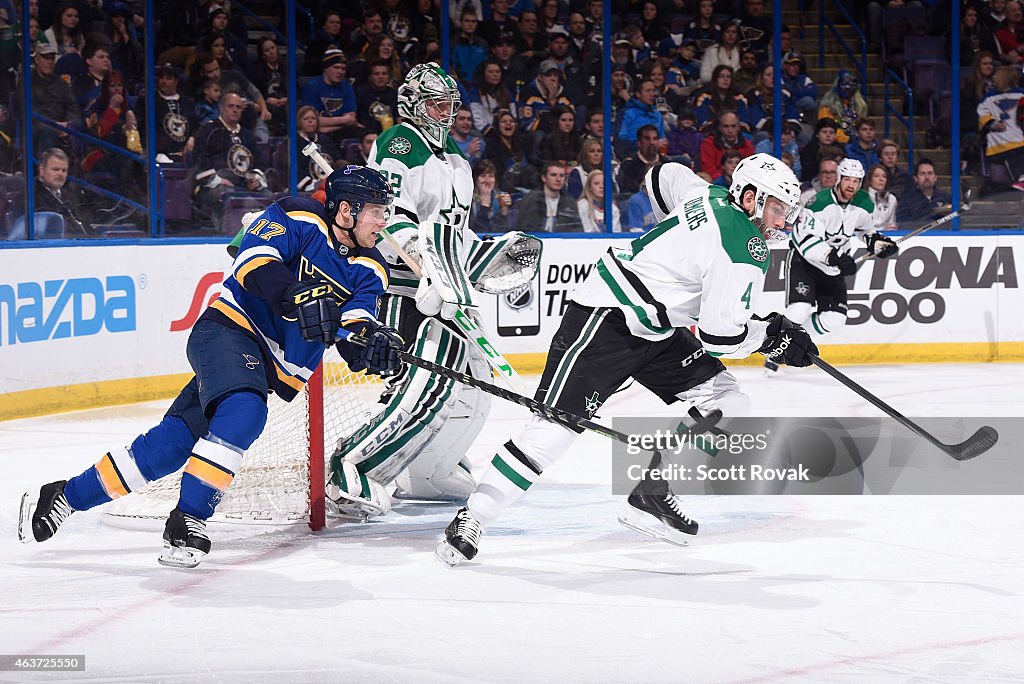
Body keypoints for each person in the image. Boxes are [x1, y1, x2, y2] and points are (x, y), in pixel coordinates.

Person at [435, 154, 816, 565]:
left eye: (787, 210)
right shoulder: (745, 247)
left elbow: (662, 174)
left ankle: (654, 485)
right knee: (553, 432)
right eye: (777, 208)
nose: (782, 221)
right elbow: (719, 337)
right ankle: (472, 518)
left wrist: (679, 247)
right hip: (606, 319)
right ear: (750, 197)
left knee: (728, 401)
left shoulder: (708, 194)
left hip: (656, 327)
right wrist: (769, 340)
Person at [19, 166, 404, 567]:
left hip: (268, 365)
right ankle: (188, 520)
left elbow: (354, 325)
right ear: (347, 210)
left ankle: (65, 495)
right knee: (245, 411)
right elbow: (254, 262)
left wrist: (370, 346)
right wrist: (295, 295)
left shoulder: (372, 268)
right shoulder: (297, 215)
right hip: (227, 330)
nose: (383, 221)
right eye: (377, 211)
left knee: (169, 447)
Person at [331, 62, 536, 509]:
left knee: (475, 382)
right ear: (413, 104)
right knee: (423, 387)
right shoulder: (399, 142)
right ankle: (354, 469)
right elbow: (390, 211)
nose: (446, 113)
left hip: (449, 285)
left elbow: (454, 231)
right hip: (409, 285)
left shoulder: (458, 161)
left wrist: (478, 260)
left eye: (450, 105)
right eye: (436, 104)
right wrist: (423, 258)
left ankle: (431, 471)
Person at [766, 158, 896, 375]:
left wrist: (876, 242)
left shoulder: (864, 202)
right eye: (847, 179)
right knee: (799, 310)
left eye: (856, 181)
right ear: (838, 178)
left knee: (835, 318)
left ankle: (788, 344)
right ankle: (774, 350)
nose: (851, 185)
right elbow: (806, 241)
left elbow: (866, 230)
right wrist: (834, 256)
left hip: (831, 268)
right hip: (804, 262)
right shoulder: (818, 203)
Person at [190, 90, 271, 230]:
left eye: (238, 107)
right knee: (226, 193)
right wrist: (217, 180)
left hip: (243, 184)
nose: (235, 110)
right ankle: (226, 234)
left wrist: (255, 178)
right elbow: (200, 159)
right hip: (215, 184)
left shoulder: (247, 135)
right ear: (221, 108)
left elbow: (258, 161)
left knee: (268, 196)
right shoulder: (209, 130)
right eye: (231, 106)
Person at [136, 63, 196, 164]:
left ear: (176, 81)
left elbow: (195, 126)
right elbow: (143, 128)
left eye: (168, 78)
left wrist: (192, 138)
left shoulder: (187, 103)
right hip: (158, 155)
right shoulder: (148, 101)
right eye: (161, 77)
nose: (164, 81)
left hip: (184, 153)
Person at [300, 48, 359, 142]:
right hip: (318, 135)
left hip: (341, 133)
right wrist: (343, 120)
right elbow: (311, 122)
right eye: (336, 67)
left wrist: (324, 127)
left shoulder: (347, 87)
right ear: (325, 68)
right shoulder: (312, 86)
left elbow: (351, 119)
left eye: (343, 68)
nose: (340, 72)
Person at [33, 147, 91, 235]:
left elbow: (84, 225)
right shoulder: (32, 194)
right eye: (55, 169)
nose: (60, 174)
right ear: (42, 171)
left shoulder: (70, 196)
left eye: (64, 170)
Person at [517, 161, 584, 232]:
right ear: (544, 178)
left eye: (561, 176)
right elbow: (524, 228)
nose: (558, 179)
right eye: (553, 175)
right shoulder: (531, 199)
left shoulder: (570, 202)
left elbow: (578, 228)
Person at [699, 110, 755, 180]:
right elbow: (709, 170)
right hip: (717, 183)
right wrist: (726, 180)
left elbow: (750, 170)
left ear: (739, 127)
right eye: (726, 126)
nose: (730, 130)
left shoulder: (747, 145)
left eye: (733, 126)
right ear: (720, 128)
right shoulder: (709, 143)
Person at [618, 124, 670, 195]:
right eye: (647, 138)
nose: (652, 143)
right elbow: (627, 195)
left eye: (655, 138)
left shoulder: (667, 164)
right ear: (639, 143)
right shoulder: (628, 166)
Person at [896, 158, 953, 223]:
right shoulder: (906, 199)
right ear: (915, 178)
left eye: (930, 173)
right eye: (922, 173)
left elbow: (956, 221)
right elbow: (901, 224)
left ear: (935, 178)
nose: (927, 177)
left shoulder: (946, 198)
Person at [469, 159, 511, 232]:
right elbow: (475, 232)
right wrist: (485, 205)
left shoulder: (500, 198)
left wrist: (504, 211)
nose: (487, 181)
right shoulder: (467, 199)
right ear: (476, 179)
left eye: (491, 176)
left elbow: (503, 232)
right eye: (483, 176)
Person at [866, 163, 898, 232]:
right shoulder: (862, 198)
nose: (881, 179)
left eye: (884, 176)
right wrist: (882, 229)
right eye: (876, 176)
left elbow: (891, 224)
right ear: (870, 179)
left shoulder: (892, 199)